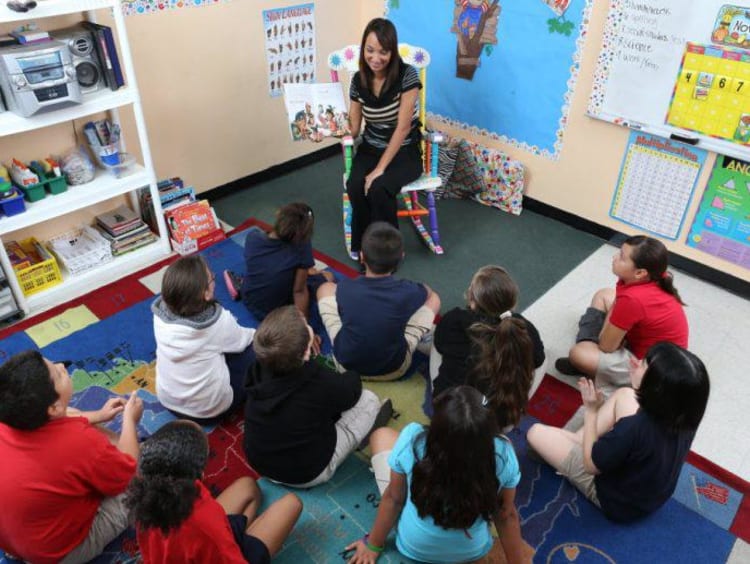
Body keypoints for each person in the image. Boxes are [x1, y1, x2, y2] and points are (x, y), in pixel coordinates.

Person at [529, 342, 709, 522]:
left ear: (656, 388)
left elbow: (591, 465)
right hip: (652, 494)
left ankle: (577, 445)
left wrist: (591, 411)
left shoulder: (633, 428)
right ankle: (577, 441)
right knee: (625, 394)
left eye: (643, 364)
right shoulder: (685, 415)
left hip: (618, 502)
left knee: (535, 432)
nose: (635, 363)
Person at [345, 386, 525, 563]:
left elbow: (393, 498)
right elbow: (505, 515)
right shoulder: (504, 453)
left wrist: (373, 545)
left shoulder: (413, 438)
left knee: (381, 435)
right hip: (471, 553)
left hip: (414, 546)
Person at [0, 350, 144, 564]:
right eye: (58, 374)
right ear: (53, 407)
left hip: (15, 538)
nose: (62, 367)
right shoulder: (78, 441)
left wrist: (97, 416)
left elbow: (63, 416)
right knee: (143, 473)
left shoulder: (10, 417)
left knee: (77, 420)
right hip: (60, 553)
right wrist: (130, 421)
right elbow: (128, 472)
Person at [243, 305, 392, 487]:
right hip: (307, 473)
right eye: (306, 324)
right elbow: (351, 392)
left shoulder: (256, 368)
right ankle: (358, 437)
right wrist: (351, 374)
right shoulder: (316, 381)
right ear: (306, 352)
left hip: (260, 463)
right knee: (368, 400)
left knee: (314, 410)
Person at [128, 420, 302, 564]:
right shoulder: (205, 520)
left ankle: (243, 537)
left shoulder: (146, 494)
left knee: (248, 487)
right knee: (292, 503)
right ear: (201, 473)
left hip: (192, 547)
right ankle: (245, 541)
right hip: (216, 548)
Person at [556, 235, 688, 396]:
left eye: (622, 257)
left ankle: (594, 362)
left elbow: (606, 346)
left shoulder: (633, 298)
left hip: (652, 371)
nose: (614, 257)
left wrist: (609, 329)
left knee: (578, 354)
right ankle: (597, 355)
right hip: (649, 344)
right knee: (603, 295)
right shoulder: (652, 277)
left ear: (640, 272)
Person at [317, 222, 440, 380]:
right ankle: (423, 337)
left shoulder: (345, 288)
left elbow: (332, 293)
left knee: (325, 288)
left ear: (362, 256)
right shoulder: (408, 290)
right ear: (401, 257)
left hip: (346, 367)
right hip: (395, 369)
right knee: (434, 299)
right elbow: (429, 293)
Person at [345, 17, 424, 261]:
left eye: (383, 51)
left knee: (378, 188)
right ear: (363, 50)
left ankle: (388, 252)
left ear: (392, 51)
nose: (375, 58)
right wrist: (328, 128)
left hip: (404, 151)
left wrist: (379, 169)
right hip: (371, 148)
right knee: (355, 185)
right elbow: (354, 128)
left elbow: (402, 129)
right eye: (370, 50)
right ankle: (365, 247)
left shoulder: (407, 76)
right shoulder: (359, 80)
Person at [431, 265, 545, 430]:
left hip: (450, 415)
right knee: (539, 354)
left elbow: (440, 345)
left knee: (439, 339)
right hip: (499, 421)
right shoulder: (523, 327)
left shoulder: (454, 320)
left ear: (472, 298)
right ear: (512, 301)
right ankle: (512, 407)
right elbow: (538, 359)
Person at [153, 255, 256, 423]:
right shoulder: (217, 322)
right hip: (210, 411)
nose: (214, 282)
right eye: (211, 280)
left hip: (168, 401)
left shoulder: (159, 315)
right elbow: (245, 339)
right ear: (206, 294)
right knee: (256, 351)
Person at [223, 202, 333, 321]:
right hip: (277, 314)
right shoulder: (301, 247)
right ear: (303, 233)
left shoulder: (252, 237)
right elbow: (299, 291)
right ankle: (304, 272)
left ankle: (241, 284)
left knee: (271, 271)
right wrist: (304, 326)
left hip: (249, 299)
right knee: (328, 276)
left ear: (278, 215)